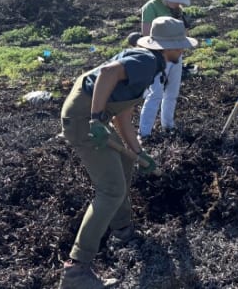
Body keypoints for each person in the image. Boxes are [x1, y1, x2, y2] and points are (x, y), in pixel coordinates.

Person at [58, 17, 197, 289]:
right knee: (110, 190)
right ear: (166, 47)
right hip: (82, 118)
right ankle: (76, 270)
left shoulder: (150, 64)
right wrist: (97, 119)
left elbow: (122, 114)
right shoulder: (146, 62)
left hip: (92, 114)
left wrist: (137, 151)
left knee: (124, 161)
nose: (182, 51)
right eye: (179, 46)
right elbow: (108, 73)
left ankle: (122, 230)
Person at [138, 0, 191, 139]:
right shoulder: (151, 7)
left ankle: (168, 125)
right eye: (177, 0)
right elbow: (147, 35)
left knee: (172, 91)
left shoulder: (178, 11)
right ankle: (144, 132)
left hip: (176, 54)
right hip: (158, 56)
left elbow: (184, 33)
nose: (179, 3)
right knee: (155, 93)